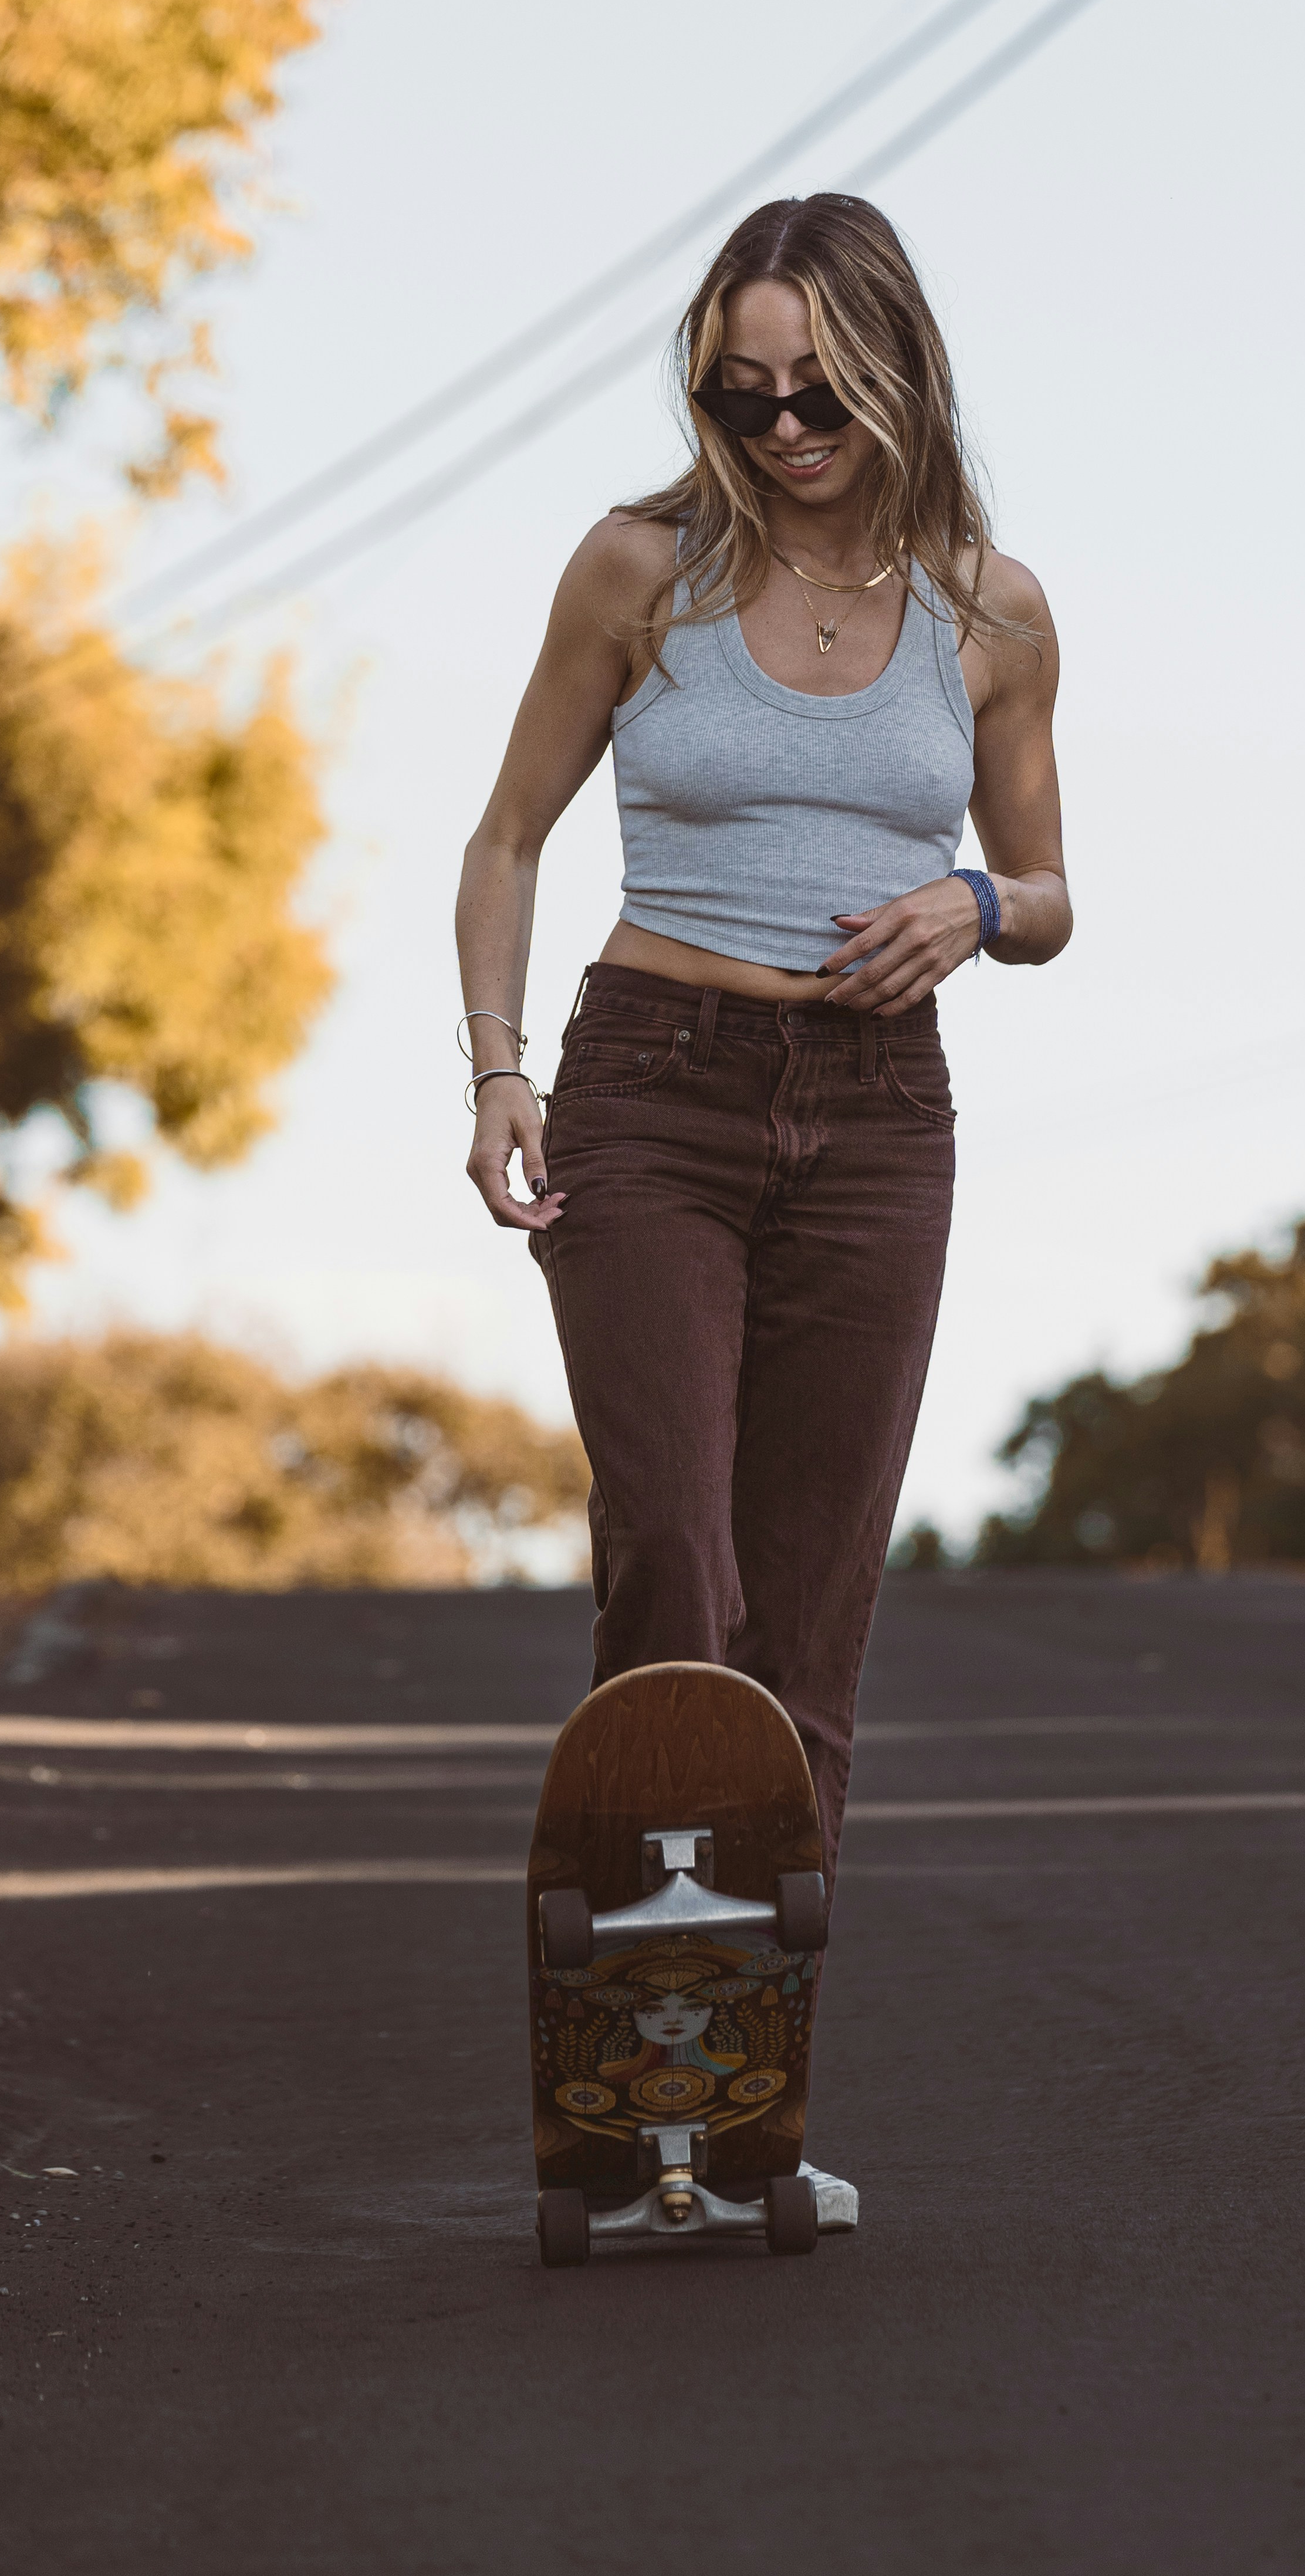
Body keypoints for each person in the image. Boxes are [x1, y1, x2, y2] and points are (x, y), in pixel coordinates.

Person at [457, 190, 1070, 1891]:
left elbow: (1049, 893)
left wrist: (978, 905)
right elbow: (504, 839)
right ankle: (631, 1979)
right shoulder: (640, 570)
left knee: (810, 1605)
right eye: (742, 392)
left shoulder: (994, 616)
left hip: (880, 1125)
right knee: (675, 1559)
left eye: (817, 391)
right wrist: (500, 1070)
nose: (782, 426)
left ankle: (751, 2024)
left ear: (897, 376)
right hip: (654, 1094)